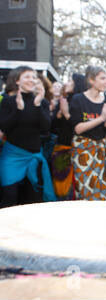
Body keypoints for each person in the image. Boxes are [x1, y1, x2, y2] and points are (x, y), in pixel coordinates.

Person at [0, 66, 56, 208]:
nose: (31, 80)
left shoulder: (42, 102)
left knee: (32, 200)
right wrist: (18, 110)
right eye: (27, 76)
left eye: (33, 77)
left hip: (33, 157)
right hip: (12, 156)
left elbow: (45, 129)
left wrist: (37, 105)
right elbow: (4, 128)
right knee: (9, 196)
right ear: (17, 81)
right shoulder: (8, 101)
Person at [70, 66, 106, 201]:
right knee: (87, 189)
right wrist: (101, 117)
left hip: (103, 150)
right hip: (84, 151)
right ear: (91, 80)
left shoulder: (105, 99)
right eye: (102, 78)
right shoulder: (78, 99)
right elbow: (78, 129)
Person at [50, 73, 86, 201]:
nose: (67, 83)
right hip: (61, 147)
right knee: (60, 185)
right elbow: (53, 127)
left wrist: (66, 114)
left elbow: (78, 128)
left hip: (76, 149)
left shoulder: (80, 101)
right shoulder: (64, 99)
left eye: (71, 80)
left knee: (73, 187)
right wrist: (59, 114)